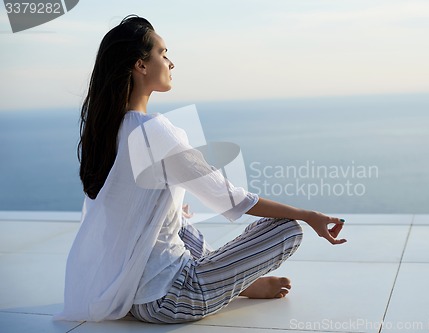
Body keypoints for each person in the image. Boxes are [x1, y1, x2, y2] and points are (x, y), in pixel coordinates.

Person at [55, 15, 346, 324]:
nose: (170, 63)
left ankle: (240, 283)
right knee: (287, 228)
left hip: (125, 295)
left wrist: (170, 209)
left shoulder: (106, 130)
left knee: (178, 219)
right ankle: (242, 283)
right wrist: (307, 215)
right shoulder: (155, 131)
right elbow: (231, 198)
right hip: (174, 299)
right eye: (163, 53)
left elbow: (121, 209)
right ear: (141, 65)